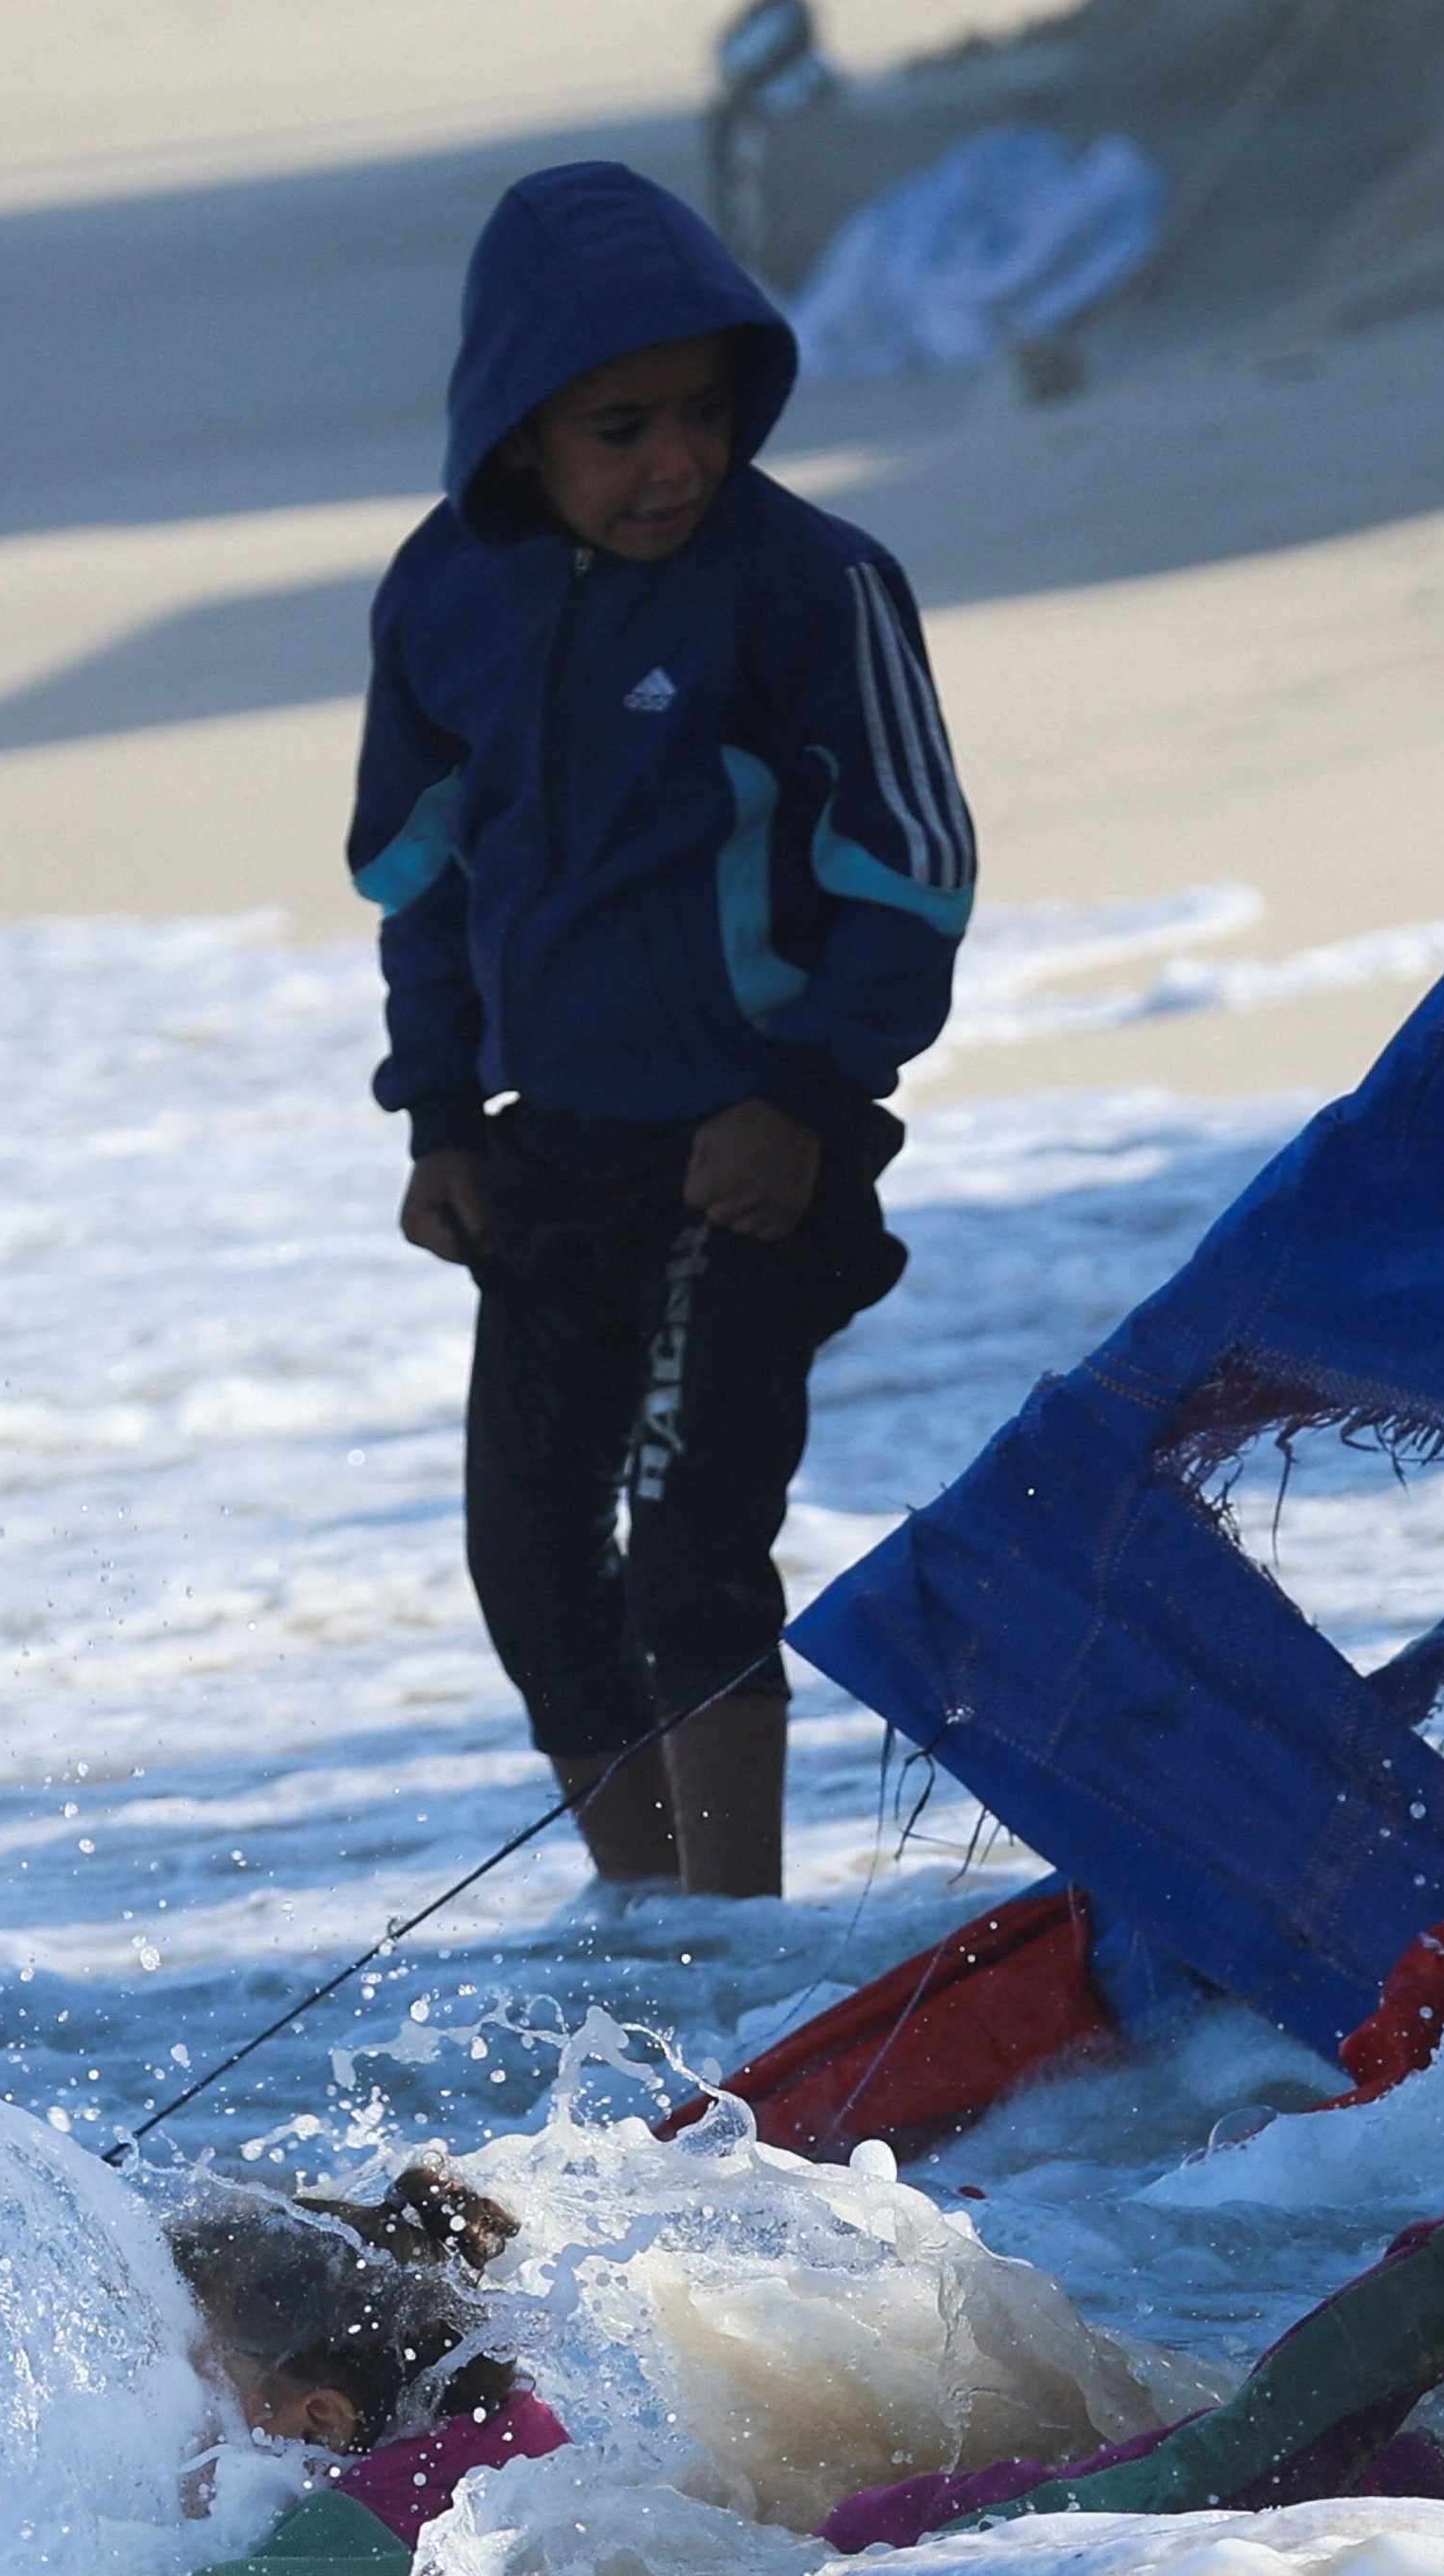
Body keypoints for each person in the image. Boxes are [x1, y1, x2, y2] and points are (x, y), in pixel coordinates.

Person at [352, 160, 974, 1902]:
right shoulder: (442, 596)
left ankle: (743, 1935)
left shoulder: (810, 582)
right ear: (519, 431)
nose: (676, 461)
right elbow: (425, 882)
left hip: (756, 1144)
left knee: (691, 1552)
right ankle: (650, 1938)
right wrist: (443, 1122)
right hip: (553, 1143)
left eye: (704, 415)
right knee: (532, 1567)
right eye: (618, 428)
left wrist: (805, 1088)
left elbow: (912, 868)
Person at [132, 2104, 1444, 2576]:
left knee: (1200, 2475)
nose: (186, 2428)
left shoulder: (401, 2501)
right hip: (842, 2561)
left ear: (318, 2402)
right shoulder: (489, 2439)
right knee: (1202, 2493)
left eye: (204, 2388)